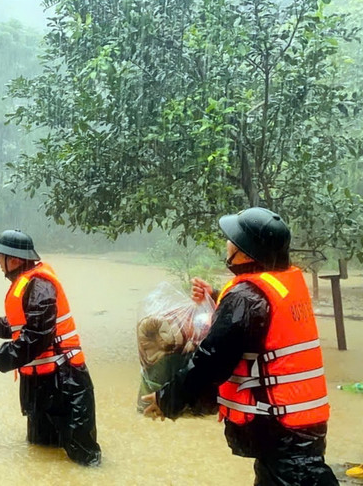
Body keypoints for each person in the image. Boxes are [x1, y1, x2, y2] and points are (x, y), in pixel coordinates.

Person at [141, 207, 336, 485]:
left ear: (245, 252)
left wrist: (169, 399)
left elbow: (211, 361)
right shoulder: (283, 284)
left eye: (232, 239)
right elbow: (257, 322)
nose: (227, 243)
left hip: (280, 426)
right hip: (299, 421)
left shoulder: (245, 298)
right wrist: (216, 297)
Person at [0, 230, 102, 467]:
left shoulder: (40, 286)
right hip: (40, 384)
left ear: (13, 260)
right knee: (41, 452)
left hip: (65, 382)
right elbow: (19, 327)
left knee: (82, 458)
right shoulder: (26, 285)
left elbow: (37, 336)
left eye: (0, 257)